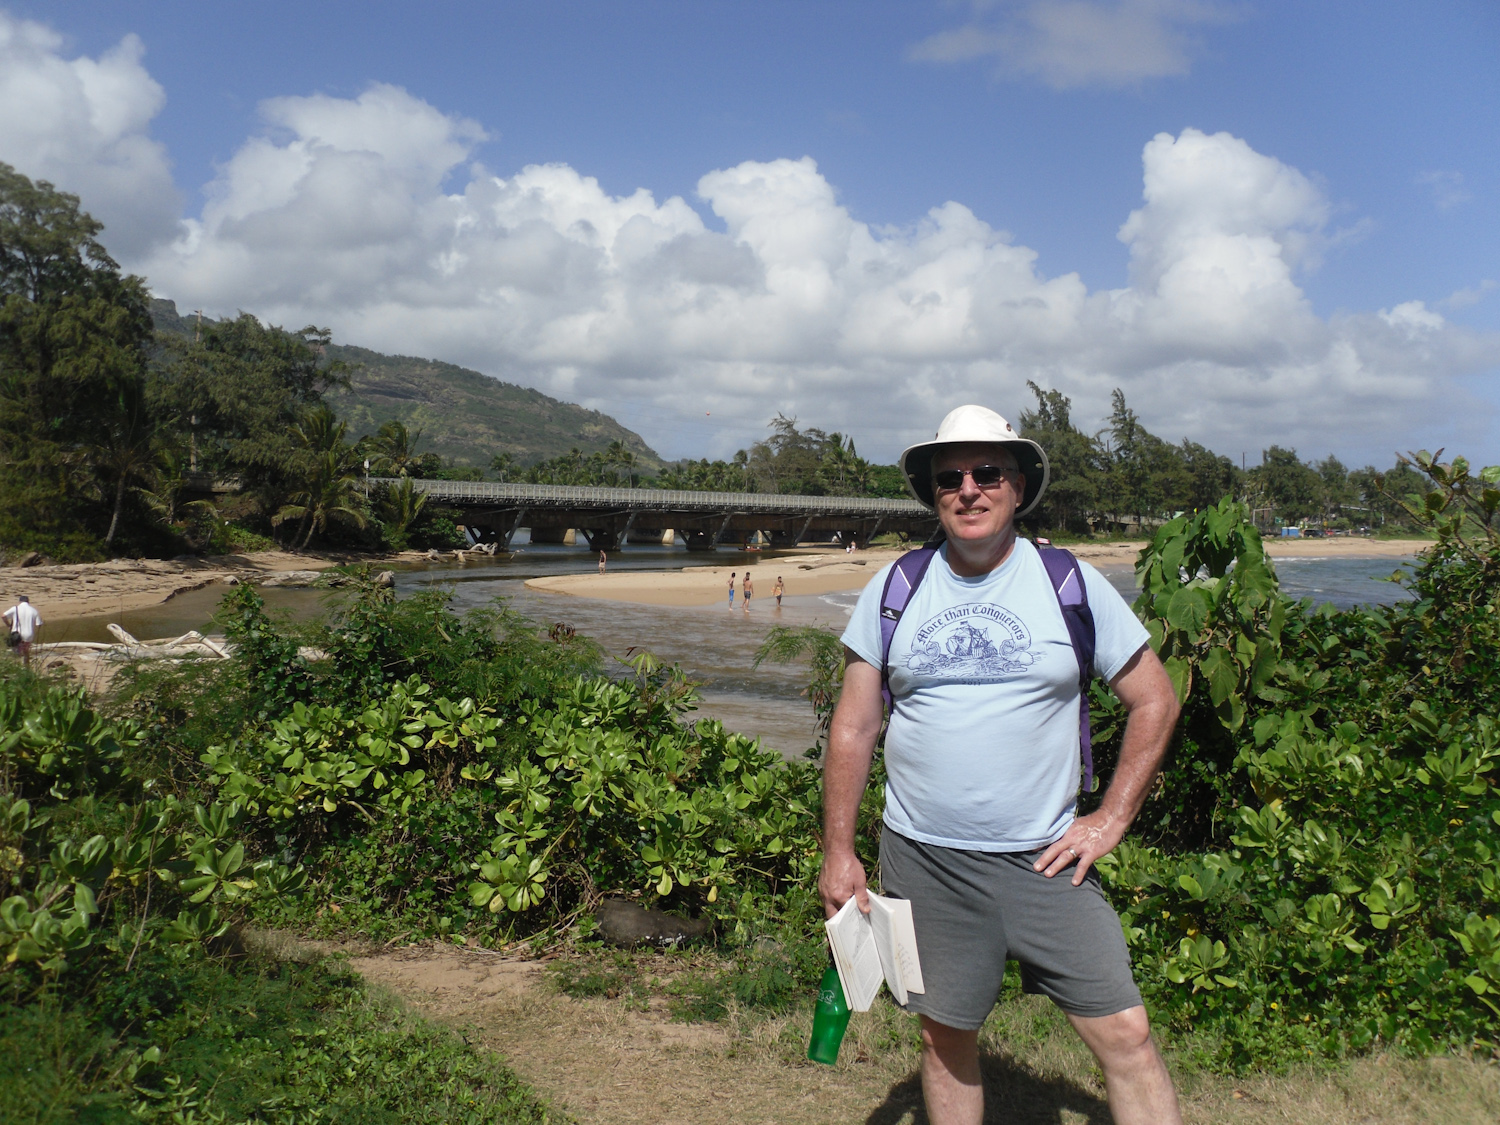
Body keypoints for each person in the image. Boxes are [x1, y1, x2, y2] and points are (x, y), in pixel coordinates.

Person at [821, 404, 1182, 1125]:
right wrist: (838, 849)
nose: (969, 488)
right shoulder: (897, 588)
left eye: (988, 472)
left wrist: (1110, 819)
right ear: (932, 493)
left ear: (1018, 485)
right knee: (945, 1035)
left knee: (1127, 1034)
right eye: (949, 476)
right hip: (926, 859)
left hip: (1047, 861)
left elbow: (1156, 700)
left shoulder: (1066, 581)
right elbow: (856, 725)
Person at [4, 595, 42, 671]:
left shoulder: (15, 608)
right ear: (28, 601)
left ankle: (16, 669)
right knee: (26, 652)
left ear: (20, 601)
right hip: (29, 634)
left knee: (16, 652)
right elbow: (39, 624)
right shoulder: (34, 610)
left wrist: (8, 625)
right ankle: (26, 668)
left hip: (17, 634)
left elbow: (3, 616)